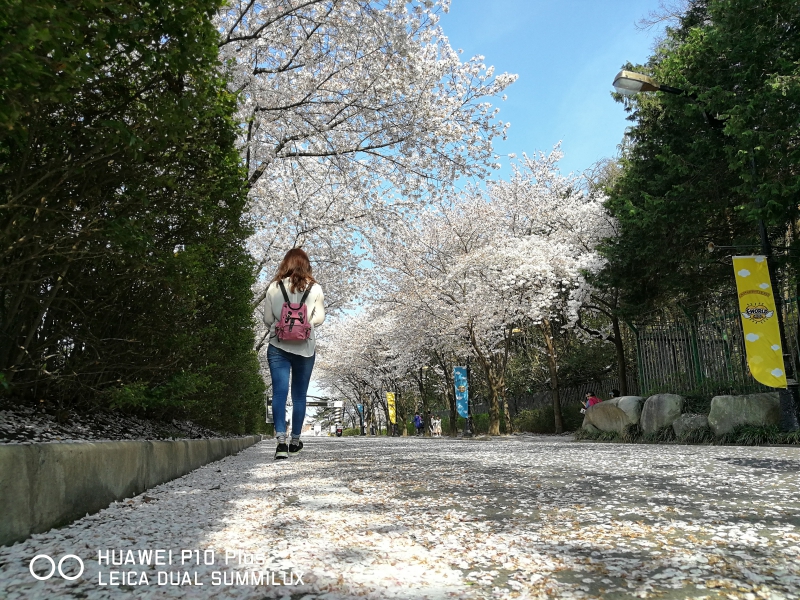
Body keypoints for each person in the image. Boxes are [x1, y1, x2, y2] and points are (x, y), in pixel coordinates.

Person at [263, 248, 325, 460]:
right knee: (299, 396)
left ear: (286, 264)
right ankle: (295, 441)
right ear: (306, 265)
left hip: (278, 346)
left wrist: (282, 327)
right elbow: (320, 318)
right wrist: (304, 325)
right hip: (305, 348)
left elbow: (267, 319)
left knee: (279, 394)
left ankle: (281, 443)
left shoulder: (274, 287)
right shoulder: (315, 288)